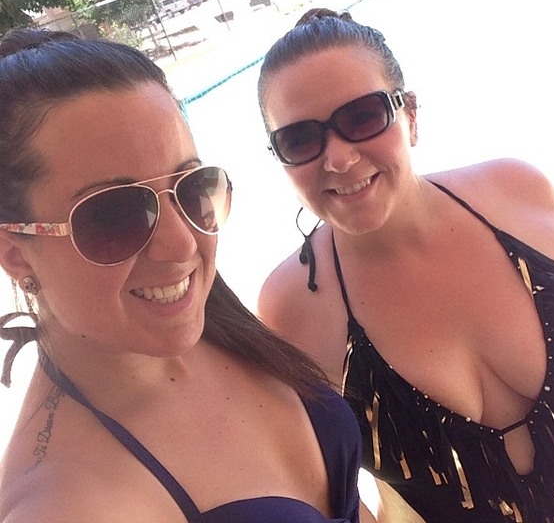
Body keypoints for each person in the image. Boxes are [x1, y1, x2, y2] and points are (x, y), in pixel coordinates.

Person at [0, 28, 368, 523]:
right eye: (114, 214)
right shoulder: (62, 506)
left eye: (192, 187)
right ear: (16, 253)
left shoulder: (215, 320)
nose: (183, 244)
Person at [255, 8, 554, 523]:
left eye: (362, 116)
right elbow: (326, 492)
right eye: (300, 140)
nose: (339, 159)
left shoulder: (521, 194)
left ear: (410, 114)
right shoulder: (291, 310)